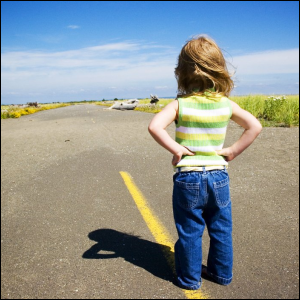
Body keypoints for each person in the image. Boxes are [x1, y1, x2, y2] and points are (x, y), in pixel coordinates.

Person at [148, 35, 262, 290]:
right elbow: (254, 126)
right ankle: (221, 274)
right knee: (221, 228)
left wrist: (177, 149)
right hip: (218, 175)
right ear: (219, 69)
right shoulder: (225, 104)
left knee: (190, 230)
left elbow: (155, 126)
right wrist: (232, 151)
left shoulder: (180, 104)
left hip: (188, 176)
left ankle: (189, 279)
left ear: (181, 71)